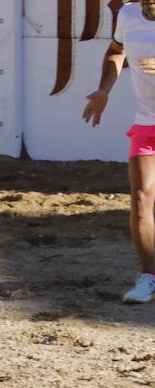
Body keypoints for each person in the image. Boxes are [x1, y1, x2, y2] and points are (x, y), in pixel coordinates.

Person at [83, 0, 155, 303]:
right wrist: (104, 90)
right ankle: (148, 278)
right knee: (140, 199)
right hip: (148, 121)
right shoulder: (127, 13)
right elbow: (116, 50)